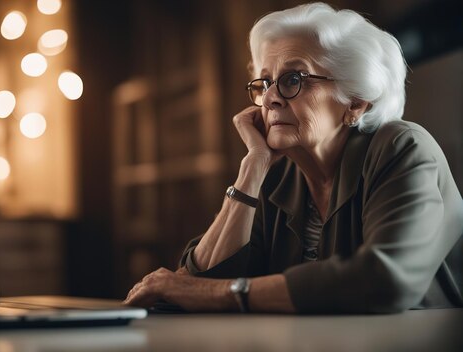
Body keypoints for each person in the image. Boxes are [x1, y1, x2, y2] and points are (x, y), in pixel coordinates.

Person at [123, 2, 463, 314]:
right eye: (265, 81)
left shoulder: (402, 148)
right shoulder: (278, 174)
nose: (270, 97)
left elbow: (385, 280)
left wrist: (226, 292)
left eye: (293, 79)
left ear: (355, 102)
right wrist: (253, 167)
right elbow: (199, 281)